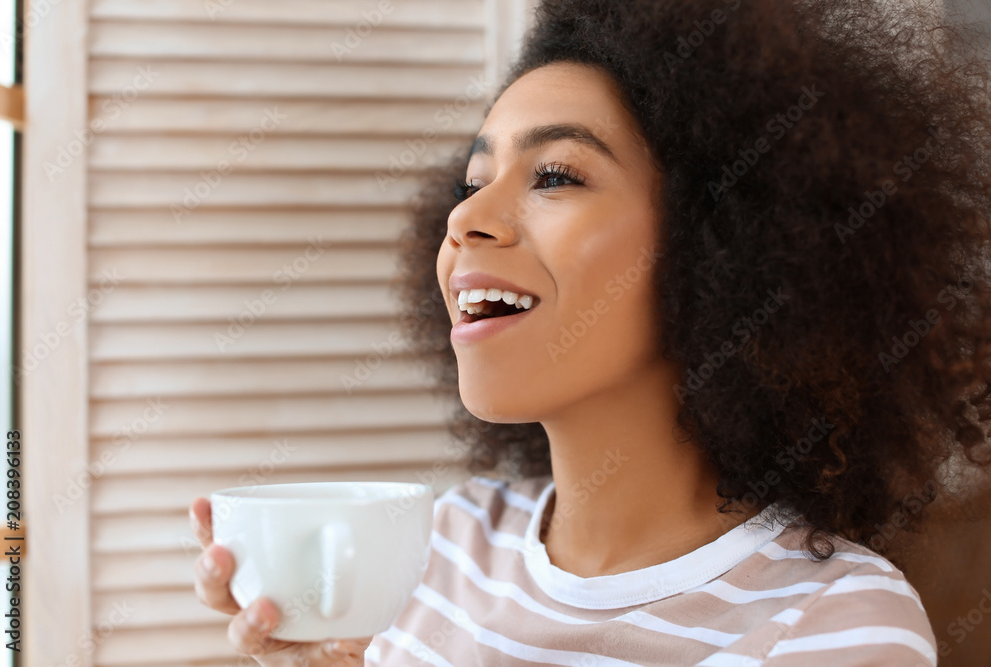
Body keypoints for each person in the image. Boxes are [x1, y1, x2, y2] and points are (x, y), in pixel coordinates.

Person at [190, 0, 991, 664]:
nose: (466, 217)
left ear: (723, 240)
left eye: (555, 176)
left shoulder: (835, 623)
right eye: (473, 181)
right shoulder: (446, 543)